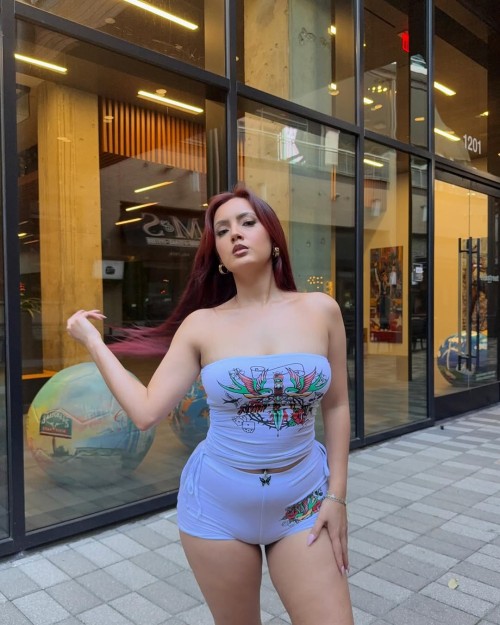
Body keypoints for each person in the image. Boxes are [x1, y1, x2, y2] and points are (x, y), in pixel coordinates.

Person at [66, 186, 354, 625]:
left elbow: (336, 407)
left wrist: (337, 496)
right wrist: (93, 341)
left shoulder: (321, 310)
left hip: (304, 500)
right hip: (218, 506)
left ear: (273, 237)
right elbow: (146, 411)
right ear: (218, 254)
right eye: (222, 230)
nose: (235, 234)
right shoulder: (202, 325)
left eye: (247, 222)